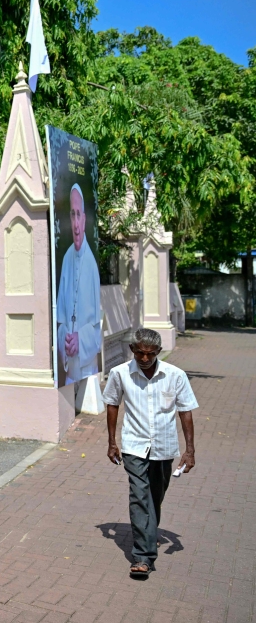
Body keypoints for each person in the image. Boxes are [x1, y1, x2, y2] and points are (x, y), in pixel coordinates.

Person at [103, 327, 197, 578]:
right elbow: (112, 403)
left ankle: (149, 531)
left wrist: (190, 450)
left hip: (164, 446)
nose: (145, 359)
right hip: (134, 444)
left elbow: (186, 410)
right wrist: (112, 442)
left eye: (151, 353)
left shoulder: (175, 375)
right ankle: (143, 556)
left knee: (155, 495)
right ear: (132, 350)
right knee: (139, 496)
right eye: (140, 353)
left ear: (158, 351)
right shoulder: (119, 373)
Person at [55, 183, 101, 384]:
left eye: (78, 215)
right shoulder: (66, 259)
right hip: (70, 370)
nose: (75, 224)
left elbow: (97, 326)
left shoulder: (91, 264)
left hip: (87, 369)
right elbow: (61, 319)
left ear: (84, 219)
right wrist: (66, 338)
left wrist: (79, 340)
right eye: (72, 215)